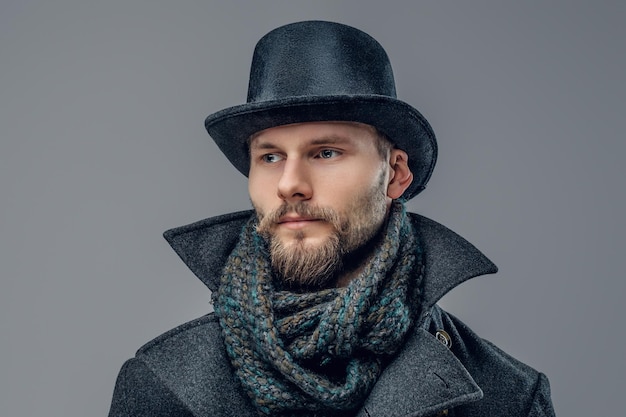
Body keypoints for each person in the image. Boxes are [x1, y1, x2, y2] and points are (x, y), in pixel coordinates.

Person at [108, 21, 556, 417]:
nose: (289, 184)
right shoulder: (164, 385)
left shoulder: (506, 396)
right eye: (269, 156)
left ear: (395, 174)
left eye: (326, 152)